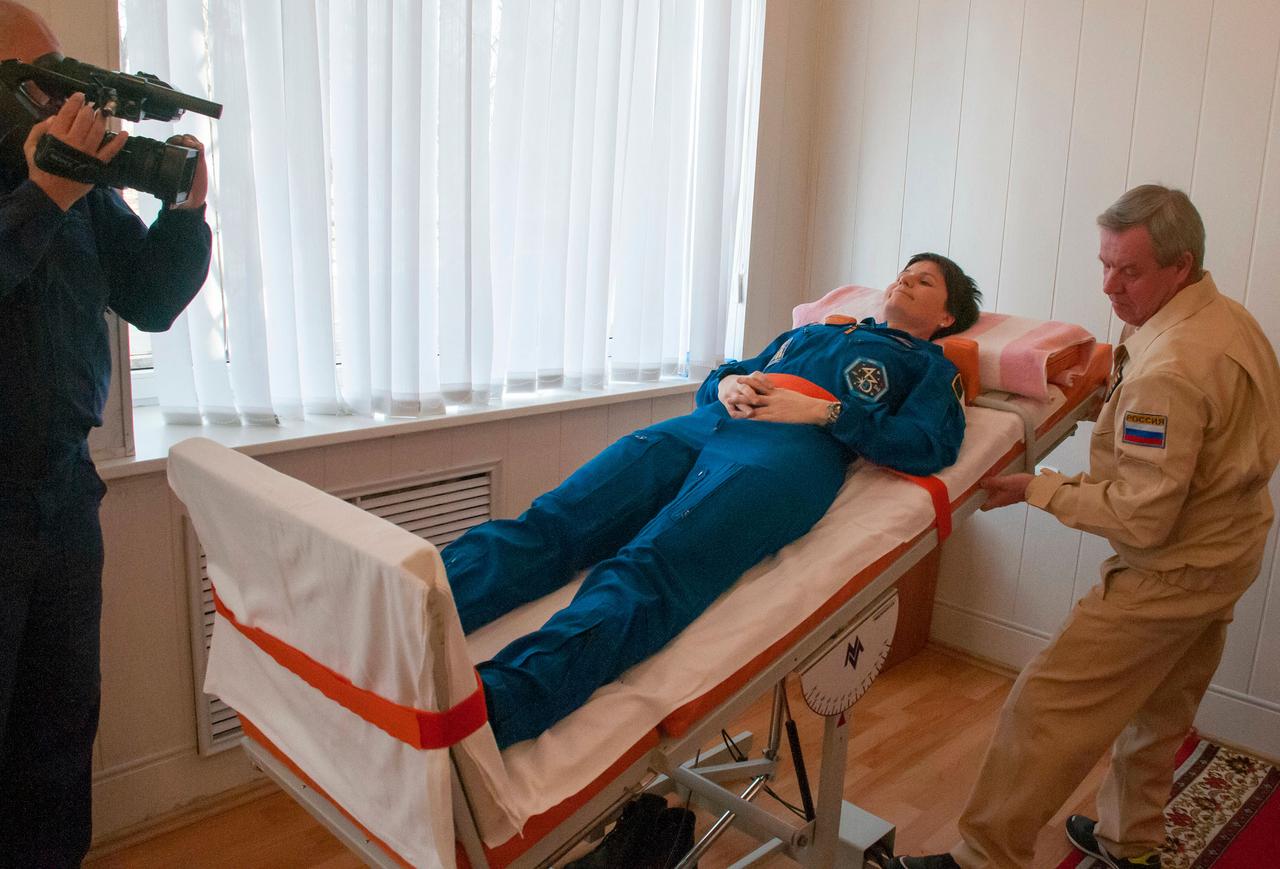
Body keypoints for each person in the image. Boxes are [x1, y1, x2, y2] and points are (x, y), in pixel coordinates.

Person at [443, 252, 981, 748]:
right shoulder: (819, 330)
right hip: (707, 423)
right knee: (554, 523)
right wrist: (725, 385)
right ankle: (422, 613)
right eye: (905, 271)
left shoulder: (932, 368)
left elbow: (929, 445)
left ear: (947, 317)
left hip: (791, 454)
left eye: (924, 279)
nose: (905, 279)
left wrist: (826, 413)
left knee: (648, 569)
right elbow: (732, 370)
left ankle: (501, 702)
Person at [894, 187, 1280, 869]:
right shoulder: (1225, 318)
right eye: (1104, 264)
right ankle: (1130, 844)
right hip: (1230, 550)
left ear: (1180, 265)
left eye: (1127, 271)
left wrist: (1039, 489)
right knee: (1159, 708)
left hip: (1172, 568)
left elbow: (1142, 513)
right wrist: (1104, 378)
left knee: (1043, 709)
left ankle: (984, 858)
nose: (1108, 286)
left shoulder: (1174, 368)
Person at [0, 3, 212, 865]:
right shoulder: (52, 178)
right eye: (38, 81)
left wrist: (188, 215)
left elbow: (150, 297)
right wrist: (40, 196)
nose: (60, 96)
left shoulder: (77, 178)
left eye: (62, 75)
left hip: (62, 495)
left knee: (58, 734)